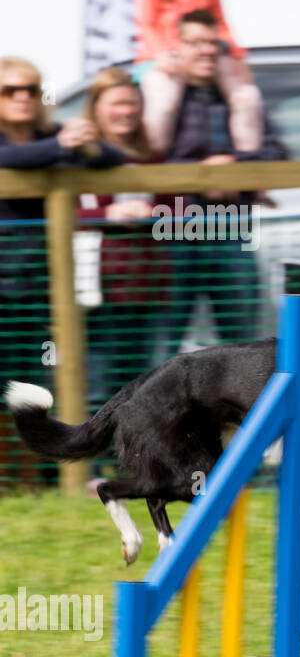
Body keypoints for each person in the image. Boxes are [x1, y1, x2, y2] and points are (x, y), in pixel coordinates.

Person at [0, 57, 126, 488]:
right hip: (5, 283)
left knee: (34, 385)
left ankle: (32, 482)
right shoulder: (47, 142)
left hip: (43, 287)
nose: (21, 98)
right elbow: (12, 158)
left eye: (30, 90)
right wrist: (66, 145)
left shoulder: (54, 134)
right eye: (10, 91)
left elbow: (111, 157)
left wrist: (86, 141)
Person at [156, 9, 287, 360]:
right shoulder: (158, 96)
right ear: (176, 46)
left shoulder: (240, 96)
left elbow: (276, 153)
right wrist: (201, 176)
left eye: (212, 42)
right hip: (170, 231)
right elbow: (142, 155)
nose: (206, 51)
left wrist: (233, 166)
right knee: (160, 345)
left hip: (232, 228)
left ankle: (239, 414)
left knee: (242, 346)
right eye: (194, 42)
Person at [78, 67, 169, 406]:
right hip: (98, 294)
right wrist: (107, 215)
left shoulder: (153, 155)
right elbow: (62, 211)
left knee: (147, 392)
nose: (126, 111)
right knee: (98, 390)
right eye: (116, 103)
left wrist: (151, 215)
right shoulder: (79, 154)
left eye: (132, 103)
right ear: (96, 106)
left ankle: (134, 459)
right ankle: (90, 460)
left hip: (150, 291)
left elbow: (177, 210)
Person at [135, 0, 262, 157]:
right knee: (163, 102)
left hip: (207, 53)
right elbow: (147, 24)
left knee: (246, 97)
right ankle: (152, 160)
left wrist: (238, 57)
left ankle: (250, 160)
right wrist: (162, 55)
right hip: (166, 57)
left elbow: (220, 23)